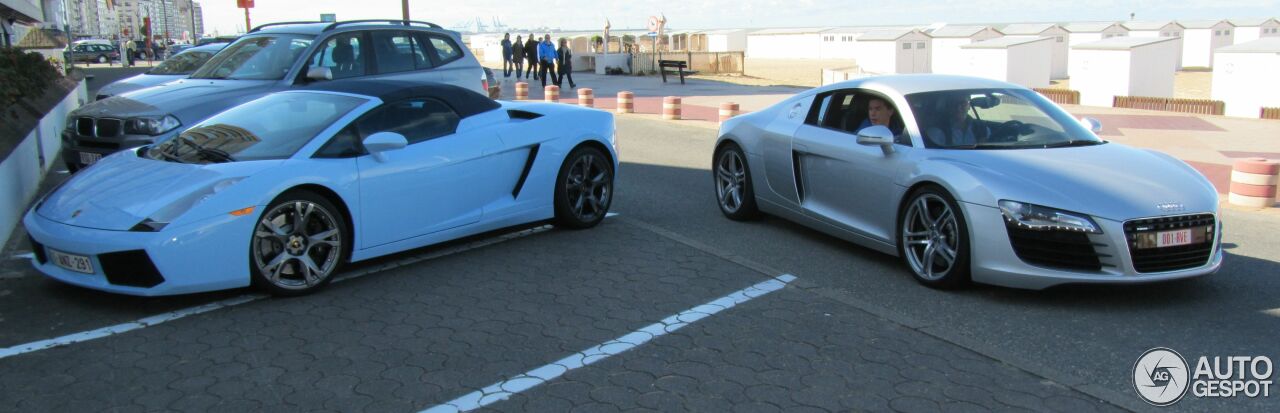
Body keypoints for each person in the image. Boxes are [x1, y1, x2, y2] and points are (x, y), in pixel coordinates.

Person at [924, 94, 989, 147]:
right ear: (949, 106)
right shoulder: (937, 131)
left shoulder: (982, 128)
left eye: (963, 103)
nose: (958, 107)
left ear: (969, 106)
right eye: (954, 103)